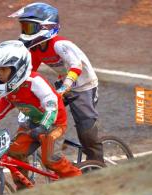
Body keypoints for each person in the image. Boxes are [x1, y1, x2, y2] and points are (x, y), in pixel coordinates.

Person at [0, 40, 81, 190]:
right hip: (32, 123)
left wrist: (44, 126)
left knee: (50, 159)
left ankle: (81, 180)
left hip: (54, 123)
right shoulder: (10, 88)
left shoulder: (34, 81)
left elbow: (52, 104)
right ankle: (24, 193)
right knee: (13, 154)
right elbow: (5, 103)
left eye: (4, 70)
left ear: (18, 68)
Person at [9, 2, 104, 162]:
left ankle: (97, 164)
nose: (25, 32)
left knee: (86, 131)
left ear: (46, 27)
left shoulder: (60, 44)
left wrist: (66, 86)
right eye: (23, 27)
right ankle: (46, 145)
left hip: (84, 88)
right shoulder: (36, 48)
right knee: (40, 115)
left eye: (29, 28)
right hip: (62, 86)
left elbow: (76, 65)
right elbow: (30, 72)